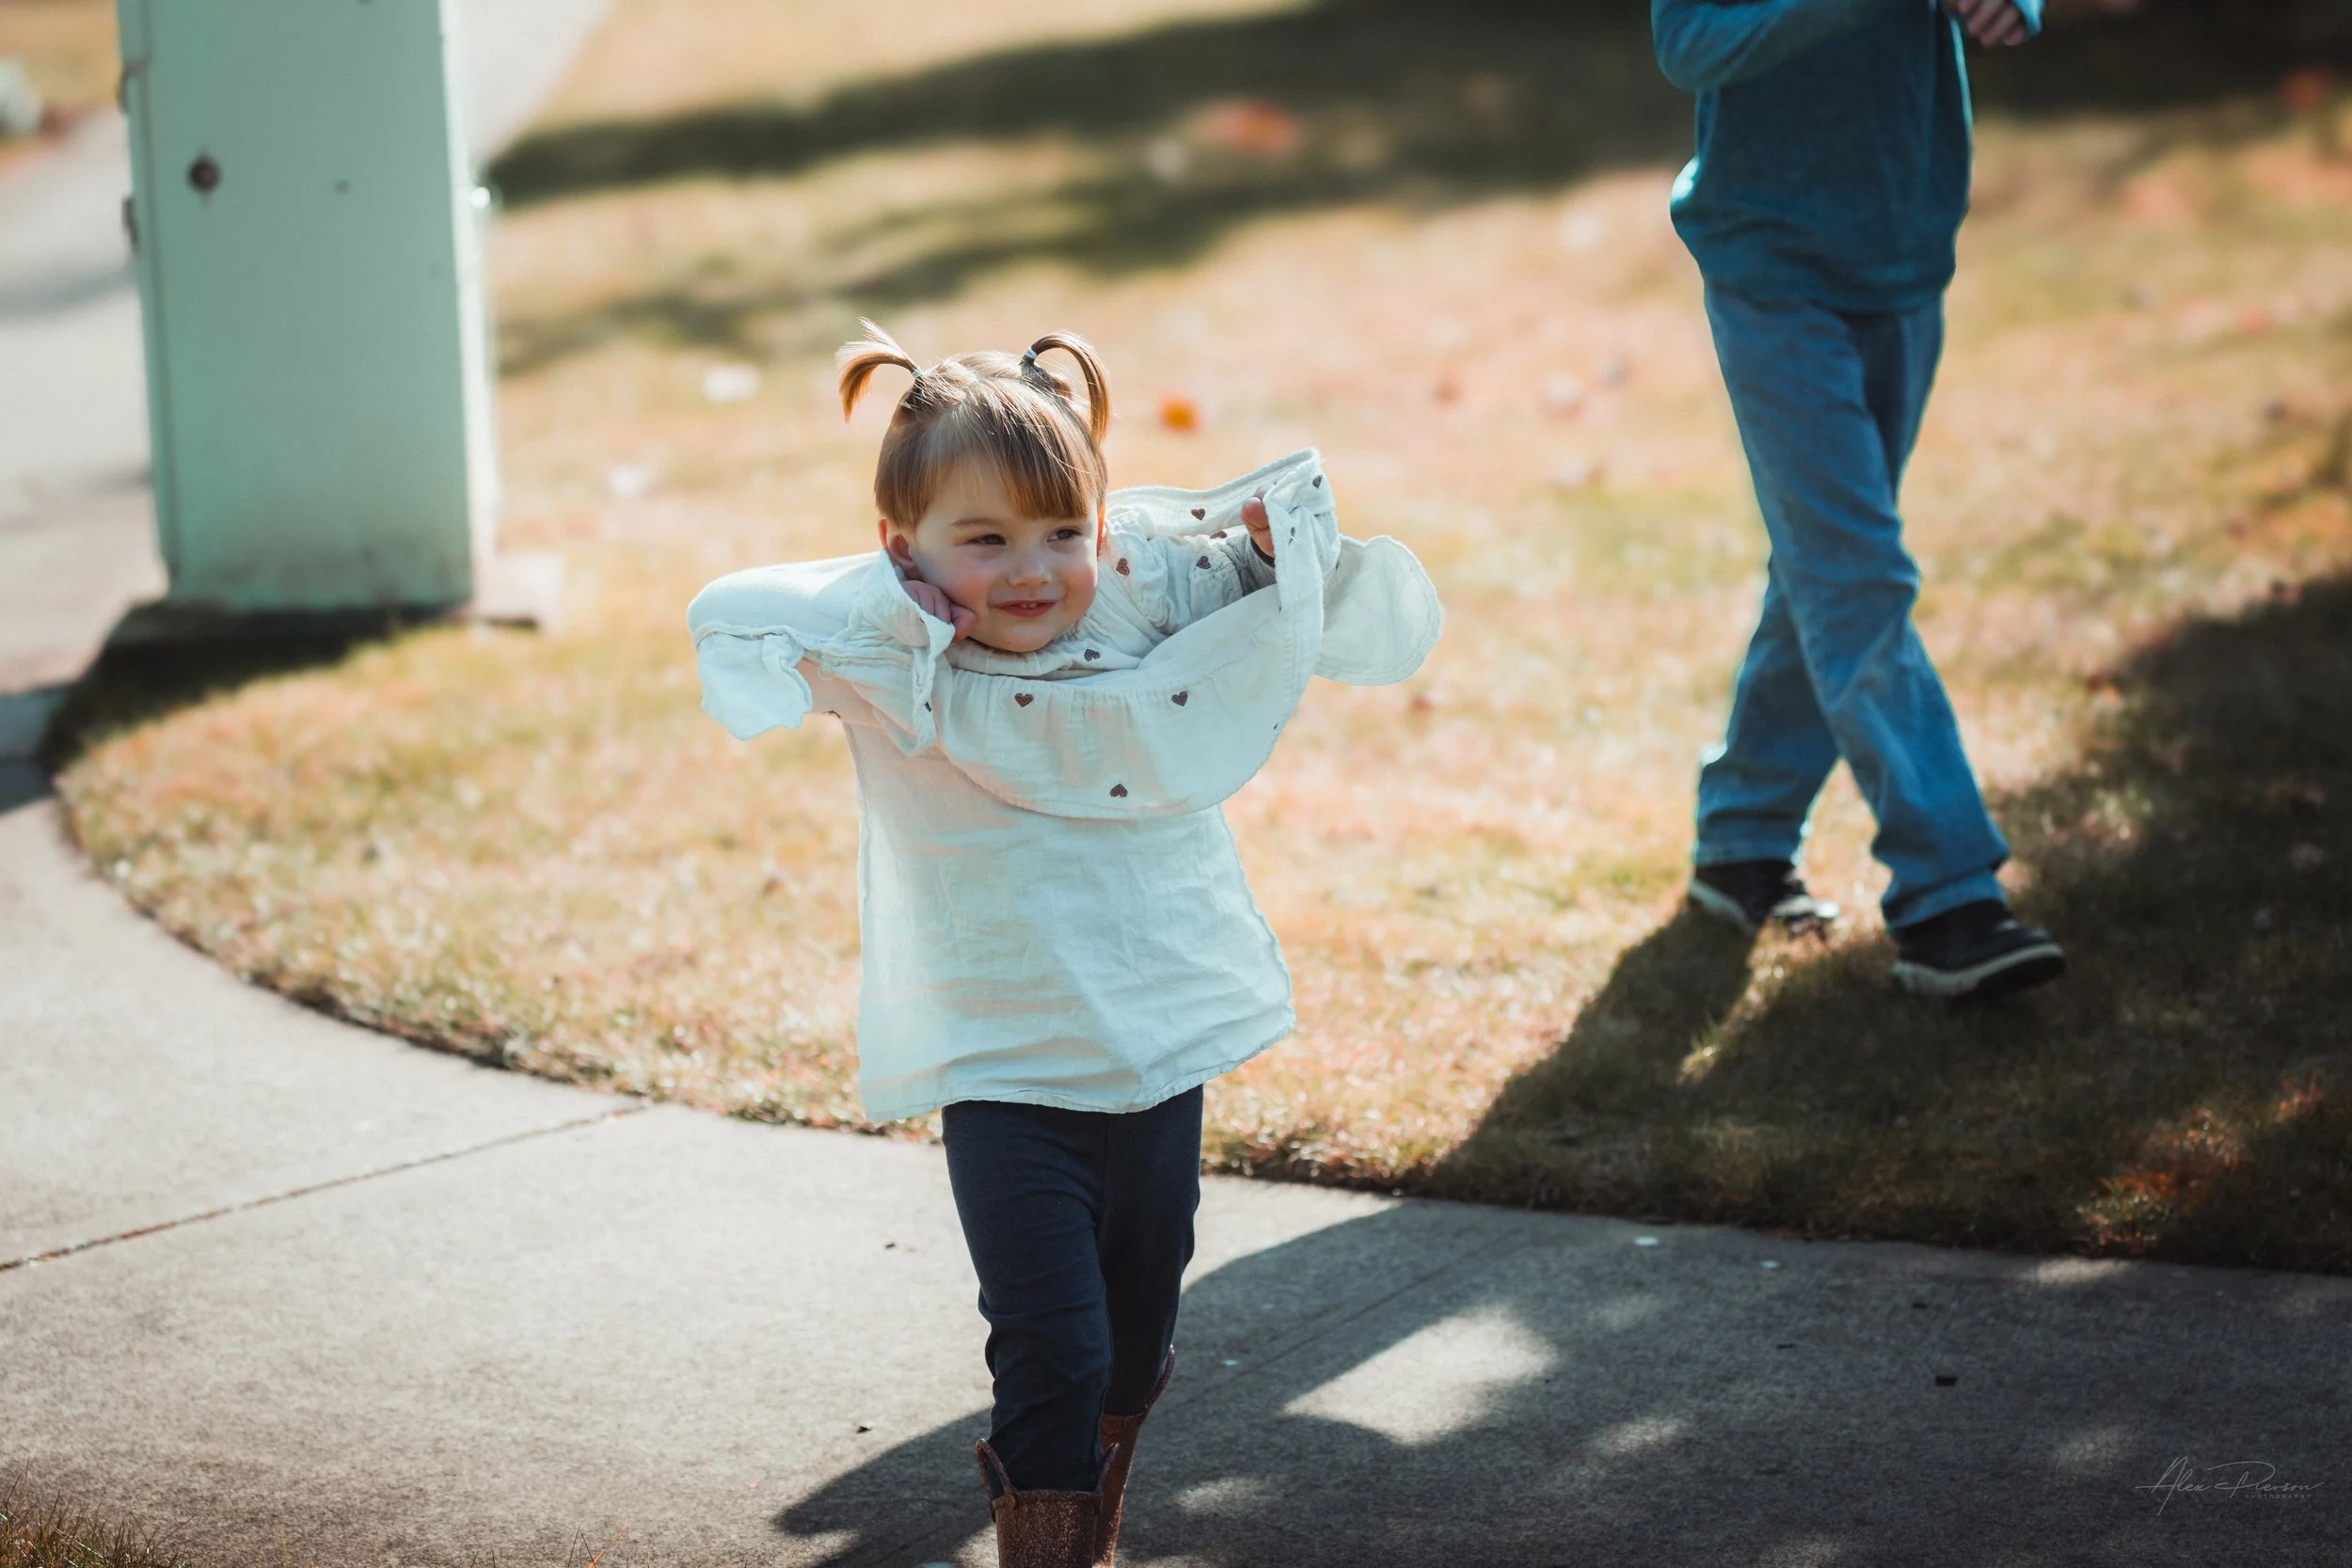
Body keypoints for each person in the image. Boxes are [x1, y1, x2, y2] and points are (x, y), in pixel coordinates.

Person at [687, 324, 1440, 1566]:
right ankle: (1050, 1539)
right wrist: (901, 609)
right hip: (1004, 1061)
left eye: (1062, 532)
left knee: (1135, 1339)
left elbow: (1355, 608)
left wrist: (1248, 549)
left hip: (1153, 1054)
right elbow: (735, 615)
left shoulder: (1141, 609)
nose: (1030, 570)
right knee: (1054, 1340)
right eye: (984, 539)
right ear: (905, 549)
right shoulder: (893, 657)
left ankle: (1096, 1507)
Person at [1652, 0, 2068, 998]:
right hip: (1770, 269)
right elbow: (1689, 45)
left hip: (1903, 257)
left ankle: (1743, 840)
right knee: (1856, 575)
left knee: (1826, 568)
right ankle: (1947, 896)